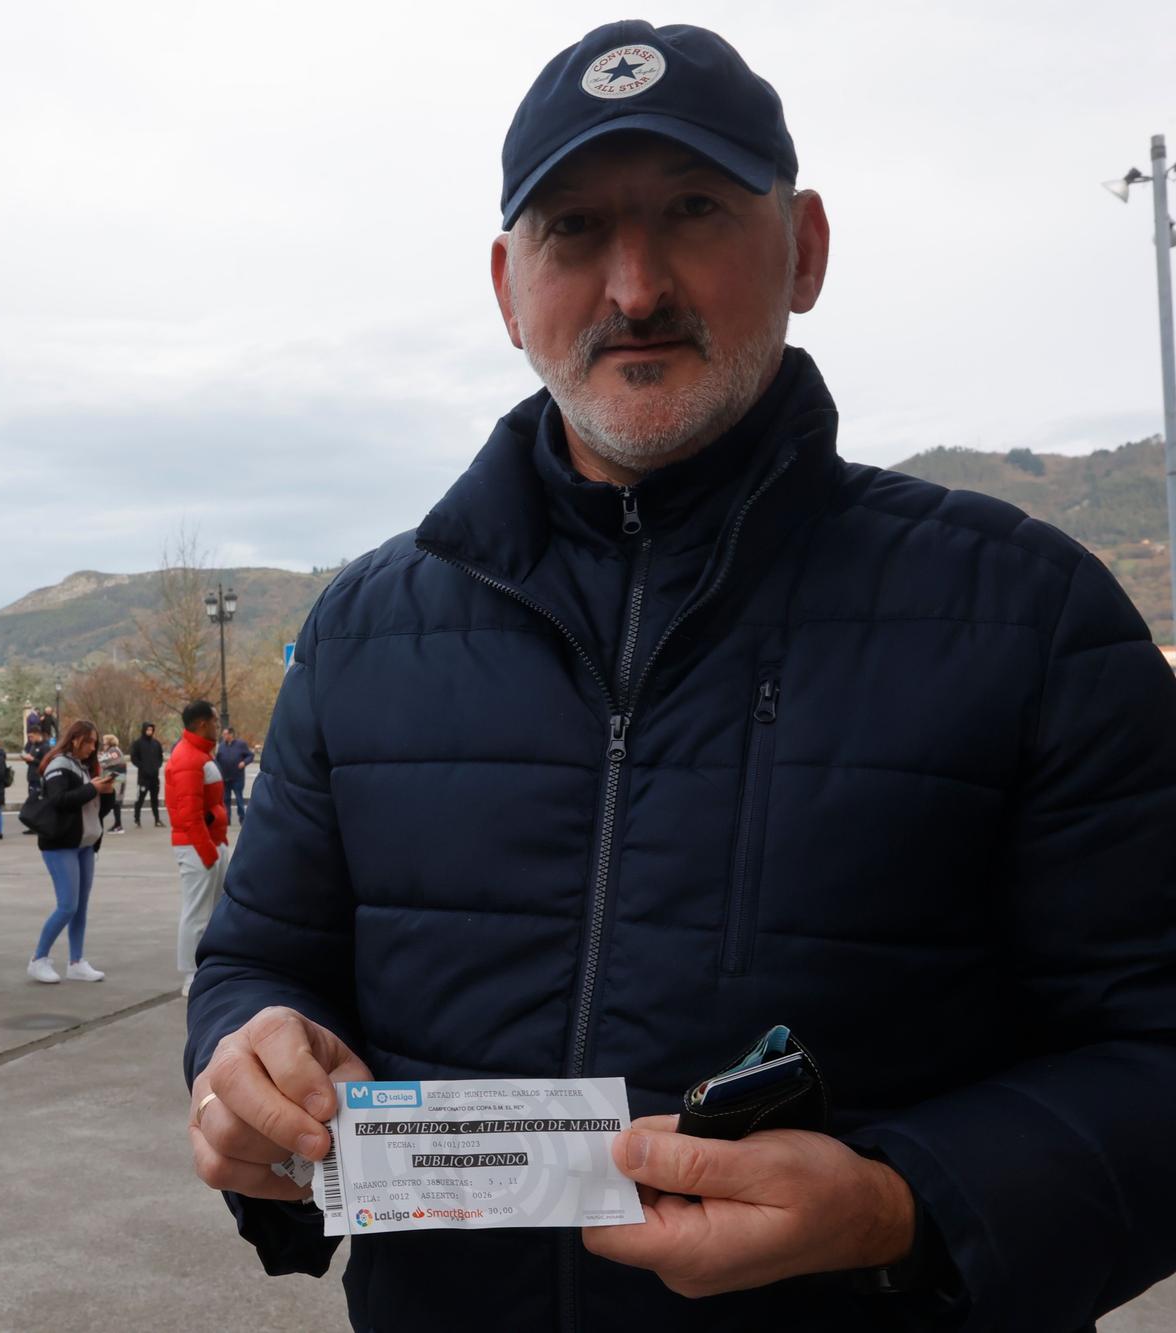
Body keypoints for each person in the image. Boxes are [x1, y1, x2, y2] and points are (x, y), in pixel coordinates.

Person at [182, 21, 1176, 1330]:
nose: (634, 286)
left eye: (695, 210)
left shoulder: (1030, 615)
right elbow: (260, 956)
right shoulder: (368, 629)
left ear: (805, 248)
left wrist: (907, 1206)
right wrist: (243, 1055)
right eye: (575, 230)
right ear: (506, 286)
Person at [27, 719, 112, 985]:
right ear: (75, 739)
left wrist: (105, 792)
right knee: (67, 906)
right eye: (88, 742)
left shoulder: (82, 767)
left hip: (84, 843)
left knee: (80, 907)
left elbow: (96, 808)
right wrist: (92, 788)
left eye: (94, 743)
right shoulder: (59, 765)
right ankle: (38, 959)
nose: (92, 747)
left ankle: (76, 961)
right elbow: (58, 801)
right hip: (61, 844)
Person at [168, 701, 229, 998]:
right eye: (216, 721)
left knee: (212, 911)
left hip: (209, 845)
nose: (219, 726)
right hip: (199, 848)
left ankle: (206, 968)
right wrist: (209, 853)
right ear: (203, 723)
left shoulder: (199, 754)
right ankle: (191, 975)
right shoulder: (188, 758)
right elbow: (189, 814)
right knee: (196, 913)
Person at [212, 727, 255, 827]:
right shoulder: (221, 746)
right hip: (225, 777)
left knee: (239, 798)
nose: (224, 736)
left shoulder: (241, 744)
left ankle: (242, 818)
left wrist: (244, 762)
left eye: (225, 734)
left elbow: (250, 756)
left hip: (237, 777)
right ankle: (227, 819)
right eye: (223, 734)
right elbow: (217, 759)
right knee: (226, 799)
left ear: (231, 735)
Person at [129, 722, 165, 828]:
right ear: (144, 730)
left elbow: (160, 757)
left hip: (154, 778)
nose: (149, 732)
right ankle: (137, 820)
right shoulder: (138, 743)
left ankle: (157, 820)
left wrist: (157, 766)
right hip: (143, 778)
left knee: (155, 800)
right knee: (140, 799)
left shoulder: (156, 743)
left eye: (151, 730)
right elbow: (133, 758)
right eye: (148, 730)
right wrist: (143, 767)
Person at [97, 733, 128, 834]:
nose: (103, 744)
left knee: (115, 802)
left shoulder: (113, 751)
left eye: (105, 741)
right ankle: (117, 824)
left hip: (117, 779)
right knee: (115, 803)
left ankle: (118, 825)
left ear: (109, 742)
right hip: (118, 779)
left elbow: (101, 760)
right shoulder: (115, 750)